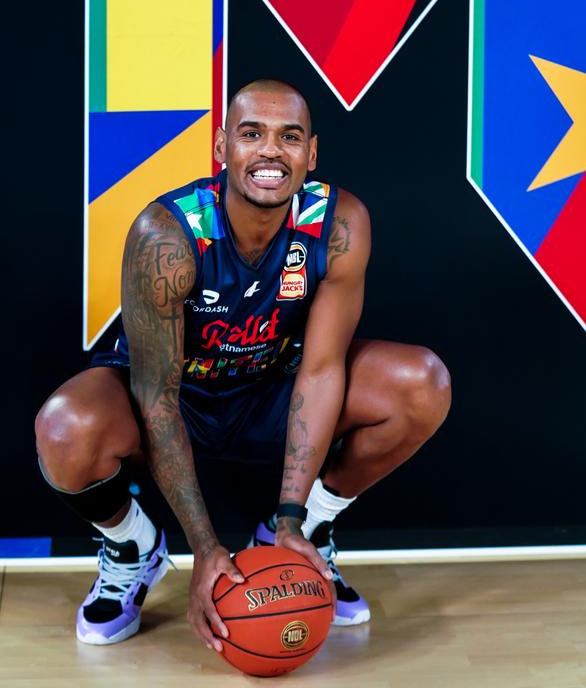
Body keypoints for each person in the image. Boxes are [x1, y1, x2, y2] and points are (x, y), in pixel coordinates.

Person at [35, 78, 451, 650]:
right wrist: (204, 549)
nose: (271, 151)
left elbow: (324, 368)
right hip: (173, 399)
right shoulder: (168, 236)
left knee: (420, 385)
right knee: (64, 428)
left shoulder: (339, 224)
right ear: (221, 146)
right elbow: (155, 394)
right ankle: (133, 548)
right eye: (252, 134)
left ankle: (307, 534)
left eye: (290, 136)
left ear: (311, 154)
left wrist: (289, 516)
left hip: (270, 395)